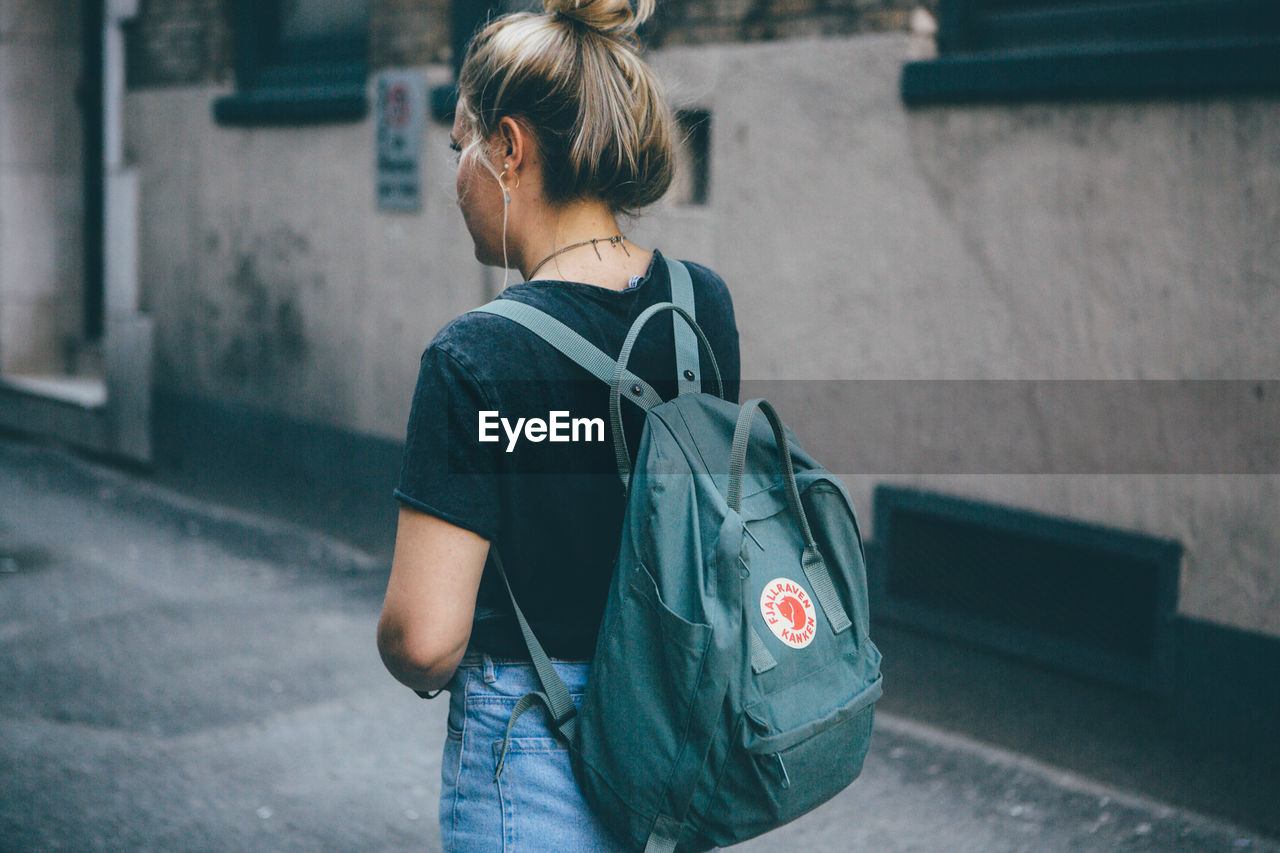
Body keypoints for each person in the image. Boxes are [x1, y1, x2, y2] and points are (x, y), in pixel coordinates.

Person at [376, 0, 739, 848]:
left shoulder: (475, 356)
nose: (457, 171)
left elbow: (425, 639)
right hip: (675, 735)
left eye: (461, 143)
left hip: (531, 753)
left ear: (509, 147)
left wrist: (406, 646)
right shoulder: (699, 306)